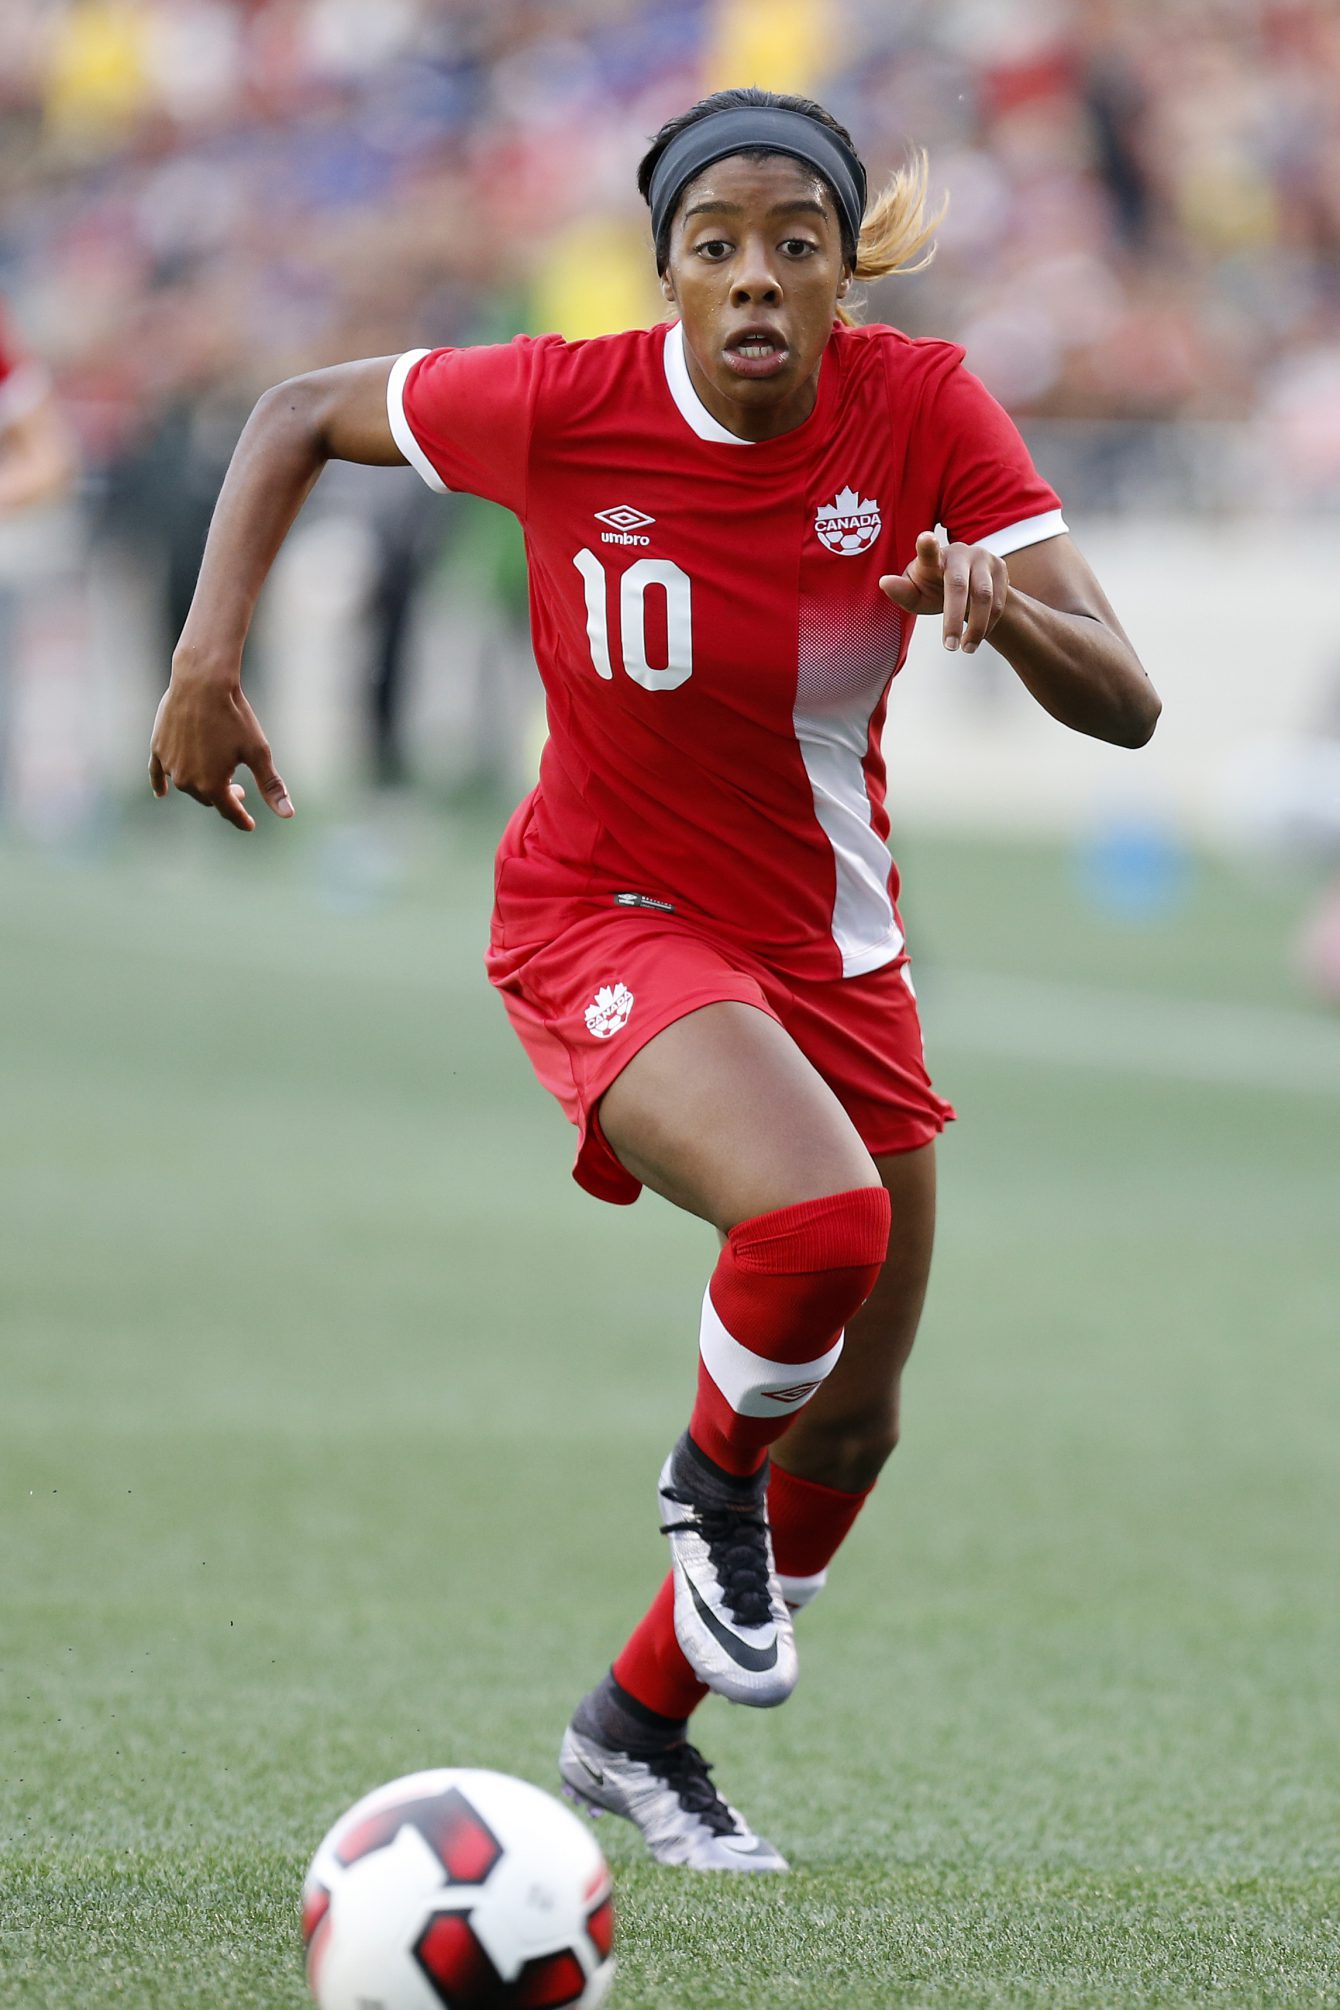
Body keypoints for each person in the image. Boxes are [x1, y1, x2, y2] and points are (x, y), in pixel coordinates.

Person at [149, 87, 1160, 1873]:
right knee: (816, 1232)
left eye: (799, 247)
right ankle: (708, 1492)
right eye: (719, 249)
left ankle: (632, 1729)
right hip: (603, 909)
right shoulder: (561, 399)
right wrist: (211, 652)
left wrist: (1009, 617)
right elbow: (297, 410)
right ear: (666, 278)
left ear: (848, 279)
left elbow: (1129, 698)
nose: (759, 278)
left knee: (857, 1410)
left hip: (833, 948)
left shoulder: (919, 408)